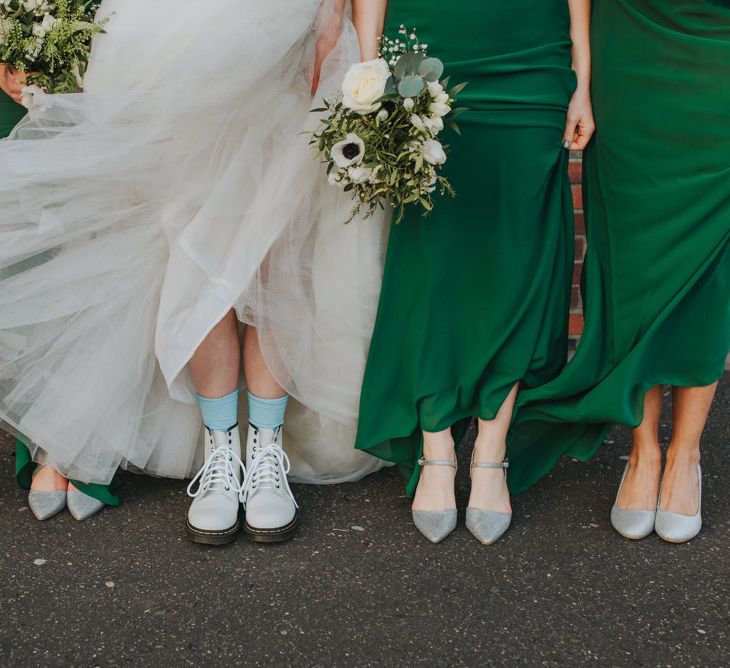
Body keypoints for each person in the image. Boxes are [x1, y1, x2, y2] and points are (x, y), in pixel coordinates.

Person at [0, 0, 386, 540]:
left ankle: (266, 458)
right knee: (195, 252)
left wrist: (341, 32)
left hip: (291, 29)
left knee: (277, 251)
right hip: (170, 35)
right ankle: (221, 456)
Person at [352, 0, 594, 543]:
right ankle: (436, 446)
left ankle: (492, 447)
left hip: (532, 56)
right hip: (431, 48)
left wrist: (582, 79)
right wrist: (368, 74)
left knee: (518, 256)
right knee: (433, 259)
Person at [507, 0, 729, 544]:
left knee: (709, 265)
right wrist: (582, 81)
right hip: (629, 41)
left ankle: (685, 455)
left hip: (718, 45)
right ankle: (643, 450)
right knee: (632, 257)